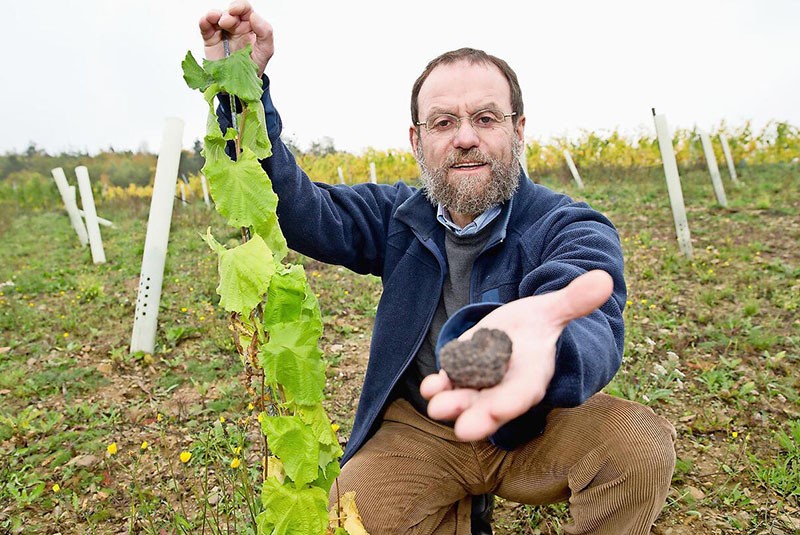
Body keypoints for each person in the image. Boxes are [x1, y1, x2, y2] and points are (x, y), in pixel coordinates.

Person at [200, 3, 676, 533]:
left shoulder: (567, 224)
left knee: (637, 446)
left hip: (537, 422)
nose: (465, 137)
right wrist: (243, 86)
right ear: (416, 140)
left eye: (486, 118)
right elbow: (302, 212)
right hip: (423, 430)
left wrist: (545, 347)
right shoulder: (398, 217)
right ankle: (452, 512)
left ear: (519, 131)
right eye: (444, 122)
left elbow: (587, 307)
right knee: (346, 516)